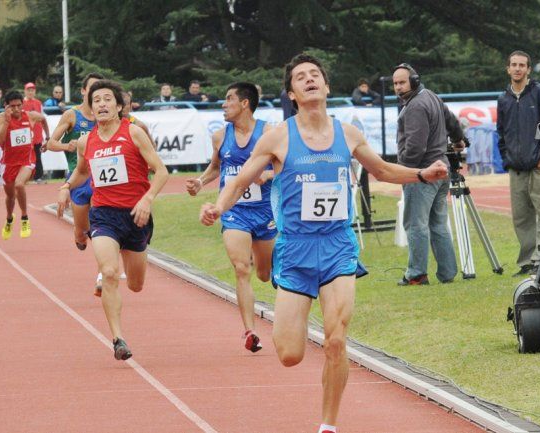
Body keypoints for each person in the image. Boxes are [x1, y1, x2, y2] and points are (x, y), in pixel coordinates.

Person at [200, 53, 450, 433]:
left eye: (315, 74)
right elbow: (238, 181)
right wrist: (218, 206)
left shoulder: (347, 133)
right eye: (301, 77)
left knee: (336, 339)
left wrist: (421, 173)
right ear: (292, 94)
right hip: (296, 250)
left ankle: (328, 426)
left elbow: (381, 170)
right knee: (289, 354)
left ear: (327, 87)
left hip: (337, 246)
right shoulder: (278, 137)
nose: (309, 79)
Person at [57, 79, 169, 360]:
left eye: (108, 99)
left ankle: (132, 267)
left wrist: (147, 199)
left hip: (136, 216)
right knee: (108, 272)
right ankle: (118, 338)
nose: (102, 104)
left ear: (119, 106)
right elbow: (83, 172)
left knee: (135, 284)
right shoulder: (86, 141)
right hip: (104, 215)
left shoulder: (134, 133)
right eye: (96, 101)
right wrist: (65, 187)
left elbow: (161, 171)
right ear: (91, 108)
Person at [186, 82, 275, 353]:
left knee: (264, 273)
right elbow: (216, 167)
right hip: (234, 212)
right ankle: (250, 331)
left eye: (229, 99)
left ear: (245, 103)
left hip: (265, 211)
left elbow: (285, 167)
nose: (223, 104)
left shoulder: (269, 134)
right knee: (241, 268)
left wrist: (268, 174)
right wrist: (201, 182)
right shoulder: (219, 136)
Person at [393, 64, 464, 286]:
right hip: (442, 170)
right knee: (438, 224)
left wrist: (405, 171)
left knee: (416, 225)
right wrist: (459, 138)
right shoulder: (431, 96)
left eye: (402, 82)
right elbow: (452, 121)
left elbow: (415, 147)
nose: (398, 87)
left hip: (423, 173)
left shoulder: (415, 106)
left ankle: (416, 274)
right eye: (395, 83)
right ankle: (447, 273)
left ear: (414, 80)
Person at [496, 51, 540, 276]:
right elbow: (501, 132)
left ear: (529, 69)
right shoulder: (503, 99)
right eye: (514, 65)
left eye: (522, 65)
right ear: (508, 69)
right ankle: (527, 261)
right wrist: (507, 159)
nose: (518, 69)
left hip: (539, 166)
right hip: (516, 168)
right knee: (521, 217)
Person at [46, 72, 103, 253]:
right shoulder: (72, 115)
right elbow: (51, 143)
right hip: (78, 174)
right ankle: (79, 234)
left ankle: (104, 268)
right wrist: (67, 146)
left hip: (100, 175)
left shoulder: (105, 116)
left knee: (100, 225)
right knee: (82, 230)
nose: (96, 92)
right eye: (92, 88)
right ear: (83, 91)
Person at [0, 90, 46, 239]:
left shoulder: (30, 116)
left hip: (27, 160)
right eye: (13, 107)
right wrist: (6, 121)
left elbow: (43, 119)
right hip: (8, 163)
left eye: (19, 105)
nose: (16, 109)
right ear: (6, 106)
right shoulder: (0, 118)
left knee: (19, 185)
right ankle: (9, 219)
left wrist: (48, 137)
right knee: (10, 197)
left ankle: (24, 218)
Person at [23, 83, 50, 183]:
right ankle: (26, 177)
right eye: (28, 90)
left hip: (37, 134)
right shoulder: (21, 103)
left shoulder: (38, 103)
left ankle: (38, 177)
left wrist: (47, 135)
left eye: (32, 90)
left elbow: (43, 119)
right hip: (26, 134)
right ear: (25, 91)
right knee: (26, 157)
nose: (30, 92)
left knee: (38, 156)